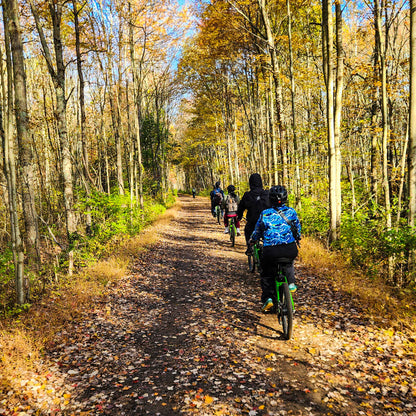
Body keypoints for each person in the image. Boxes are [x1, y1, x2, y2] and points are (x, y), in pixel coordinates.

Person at [249, 185, 301, 313]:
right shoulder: (291, 212)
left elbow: (257, 232)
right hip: (290, 249)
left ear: (270, 200)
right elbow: (297, 229)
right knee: (288, 262)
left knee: (267, 274)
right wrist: (297, 238)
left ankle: (268, 299)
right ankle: (291, 283)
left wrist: (252, 240)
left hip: (271, 251)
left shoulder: (265, 214)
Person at [236, 173, 271, 252]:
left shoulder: (247, 195)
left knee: (247, 231)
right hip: (267, 222)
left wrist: (239, 216)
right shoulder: (267, 194)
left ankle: (249, 248)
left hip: (253, 223)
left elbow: (241, 207)